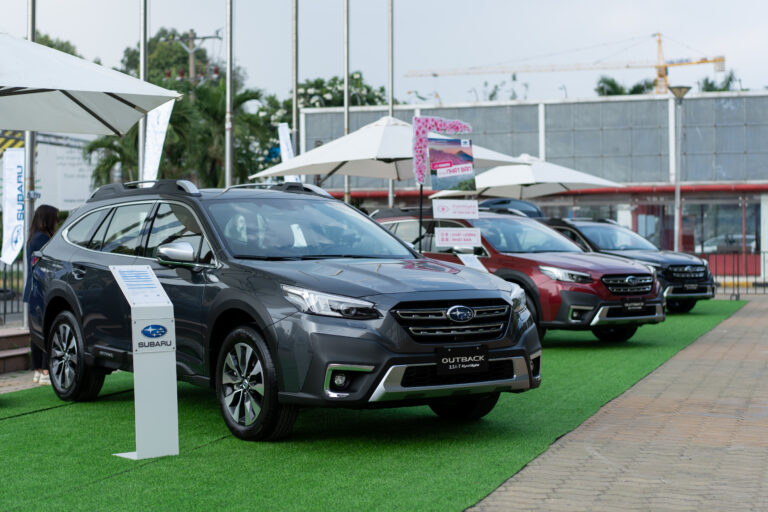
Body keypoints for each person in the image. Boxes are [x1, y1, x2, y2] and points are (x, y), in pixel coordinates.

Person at [23, 204, 59, 385]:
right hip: (41, 289)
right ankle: (45, 371)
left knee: (36, 331)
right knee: (46, 329)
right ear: (48, 219)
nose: (57, 222)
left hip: (32, 290)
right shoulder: (44, 239)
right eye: (56, 218)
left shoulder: (33, 238)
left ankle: (38, 371)